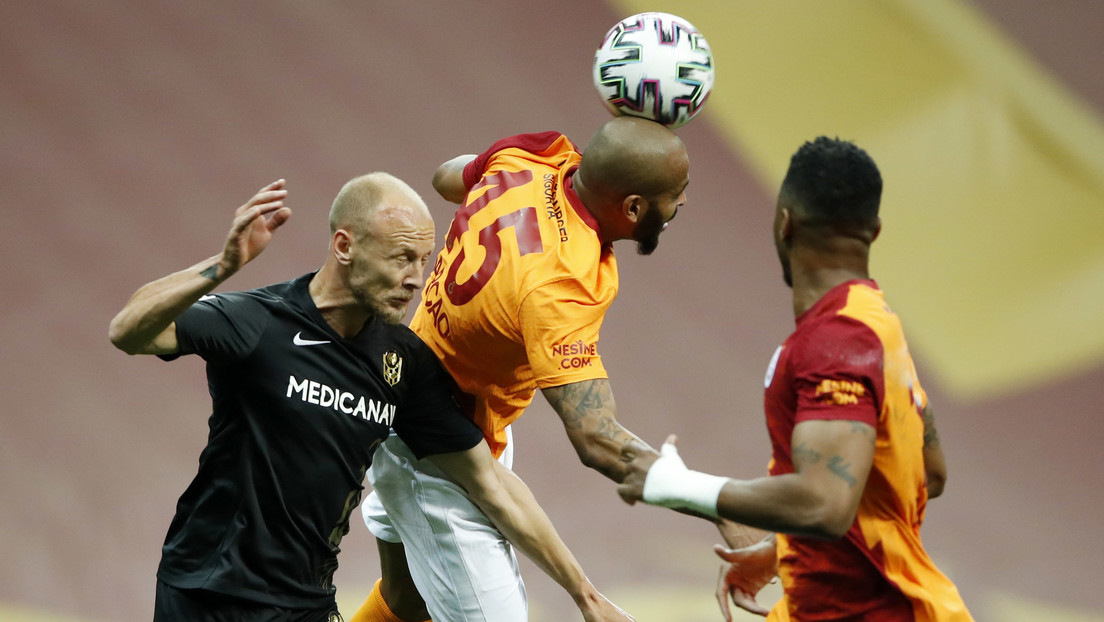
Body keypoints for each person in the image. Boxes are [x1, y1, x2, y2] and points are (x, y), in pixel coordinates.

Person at [107, 174, 632, 622]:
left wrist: (584, 594)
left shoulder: (402, 362)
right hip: (207, 592)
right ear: (344, 246)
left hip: (304, 604)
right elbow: (128, 332)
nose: (415, 280)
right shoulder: (259, 322)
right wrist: (221, 268)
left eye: (423, 260)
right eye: (401, 257)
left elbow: (491, 484)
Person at [349, 116, 701, 622]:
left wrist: (493, 177)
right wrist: (718, 506)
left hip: (425, 388)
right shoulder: (562, 284)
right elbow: (596, 438)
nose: (682, 203)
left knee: (408, 602)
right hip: (435, 453)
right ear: (633, 207)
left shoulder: (534, 154)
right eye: (676, 193)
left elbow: (447, 176)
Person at [616, 136, 974, 621]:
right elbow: (930, 473)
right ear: (875, 232)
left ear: (785, 223)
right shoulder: (875, 322)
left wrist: (678, 484)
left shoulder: (836, 340)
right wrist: (786, 549)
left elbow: (826, 503)